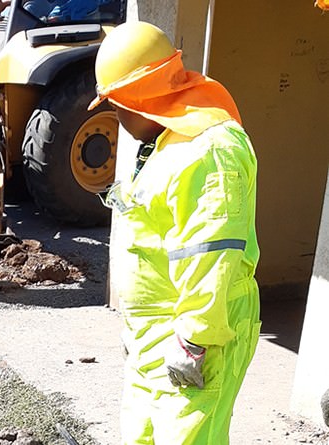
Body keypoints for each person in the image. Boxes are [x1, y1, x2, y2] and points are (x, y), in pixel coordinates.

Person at [90, 21, 261, 444]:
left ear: (139, 98)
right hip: (155, 334)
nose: (118, 117)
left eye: (117, 105)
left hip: (196, 336)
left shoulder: (210, 150)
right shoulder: (167, 143)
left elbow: (211, 252)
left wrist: (194, 341)